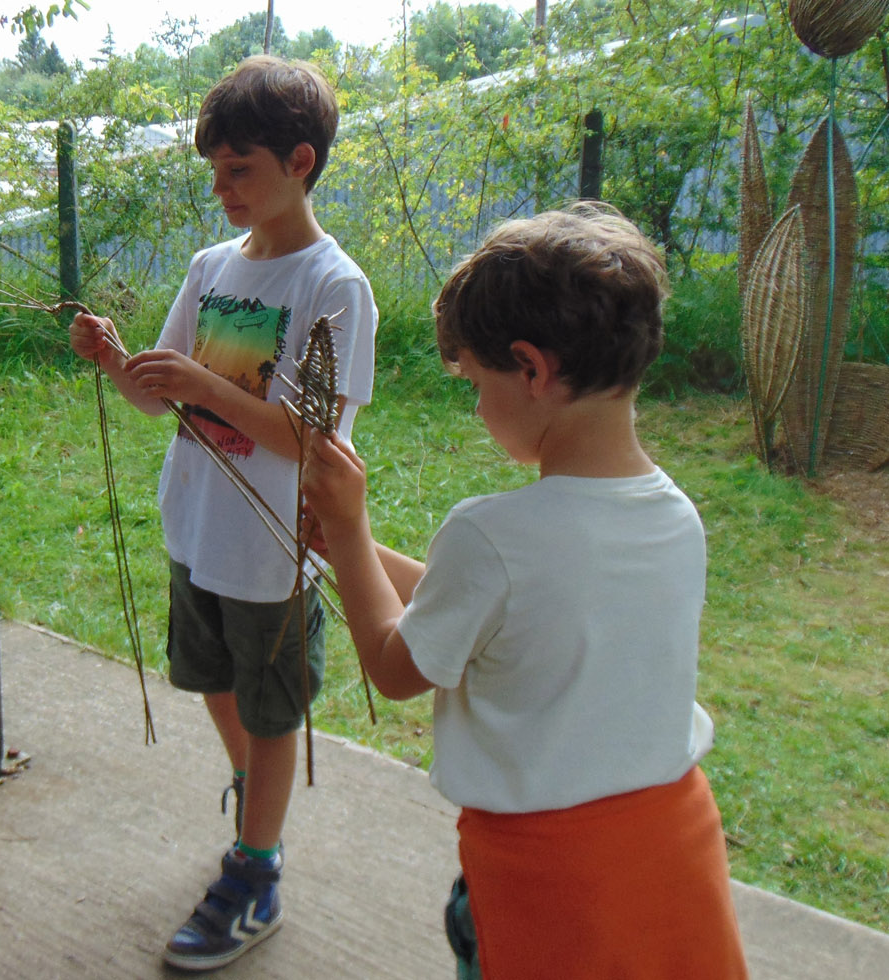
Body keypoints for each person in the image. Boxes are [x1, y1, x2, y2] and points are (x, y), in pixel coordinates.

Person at [300, 203, 749, 979]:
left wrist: (346, 529)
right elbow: (505, 615)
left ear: (532, 369)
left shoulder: (492, 534)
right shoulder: (676, 518)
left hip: (549, 875)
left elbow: (401, 666)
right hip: (667, 847)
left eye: (475, 382)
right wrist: (358, 554)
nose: (476, 408)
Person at [68, 55, 378, 971]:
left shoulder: (334, 287)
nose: (223, 187)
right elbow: (160, 400)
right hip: (196, 527)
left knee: (273, 708)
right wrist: (119, 362)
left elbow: (313, 443)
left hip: (272, 550)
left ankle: (257, 866)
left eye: (239, 169)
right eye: (215, 170)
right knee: (208, 676)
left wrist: (205, 383)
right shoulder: (211, 268)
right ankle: (257, 796)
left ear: (301, 160)